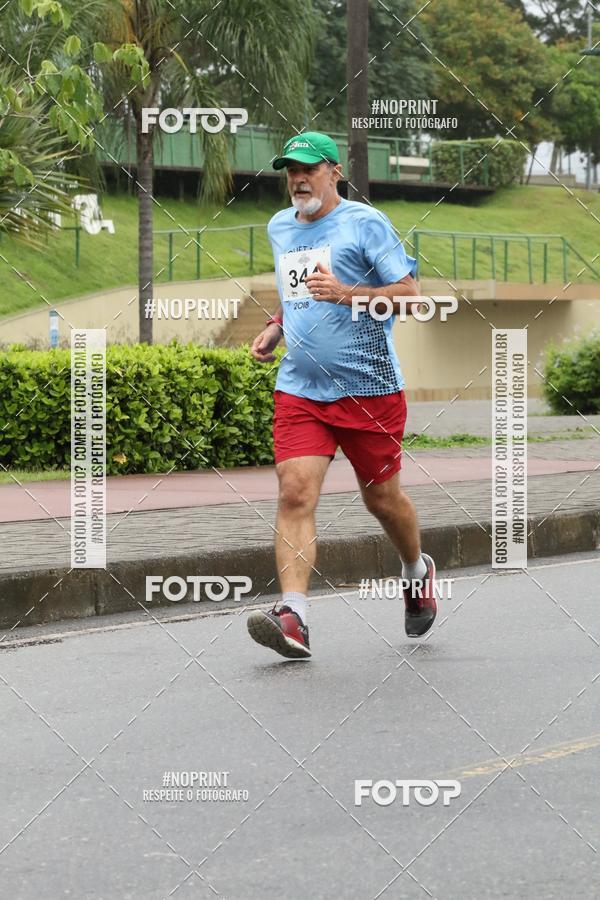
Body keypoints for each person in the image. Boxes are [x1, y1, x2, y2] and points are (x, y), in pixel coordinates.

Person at [246, 131, 436, 659]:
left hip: (368, 389)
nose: (298, 179)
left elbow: (412, 299)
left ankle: (416, 572)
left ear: (334, 171)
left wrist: (350, 294)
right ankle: (294, 617)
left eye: (308, 169)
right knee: (294, 493)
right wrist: (277, 326)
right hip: (301, 389)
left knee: (382, 499)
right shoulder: (280, 226)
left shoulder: (364, 223)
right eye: (290, 171)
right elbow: (298, 291)